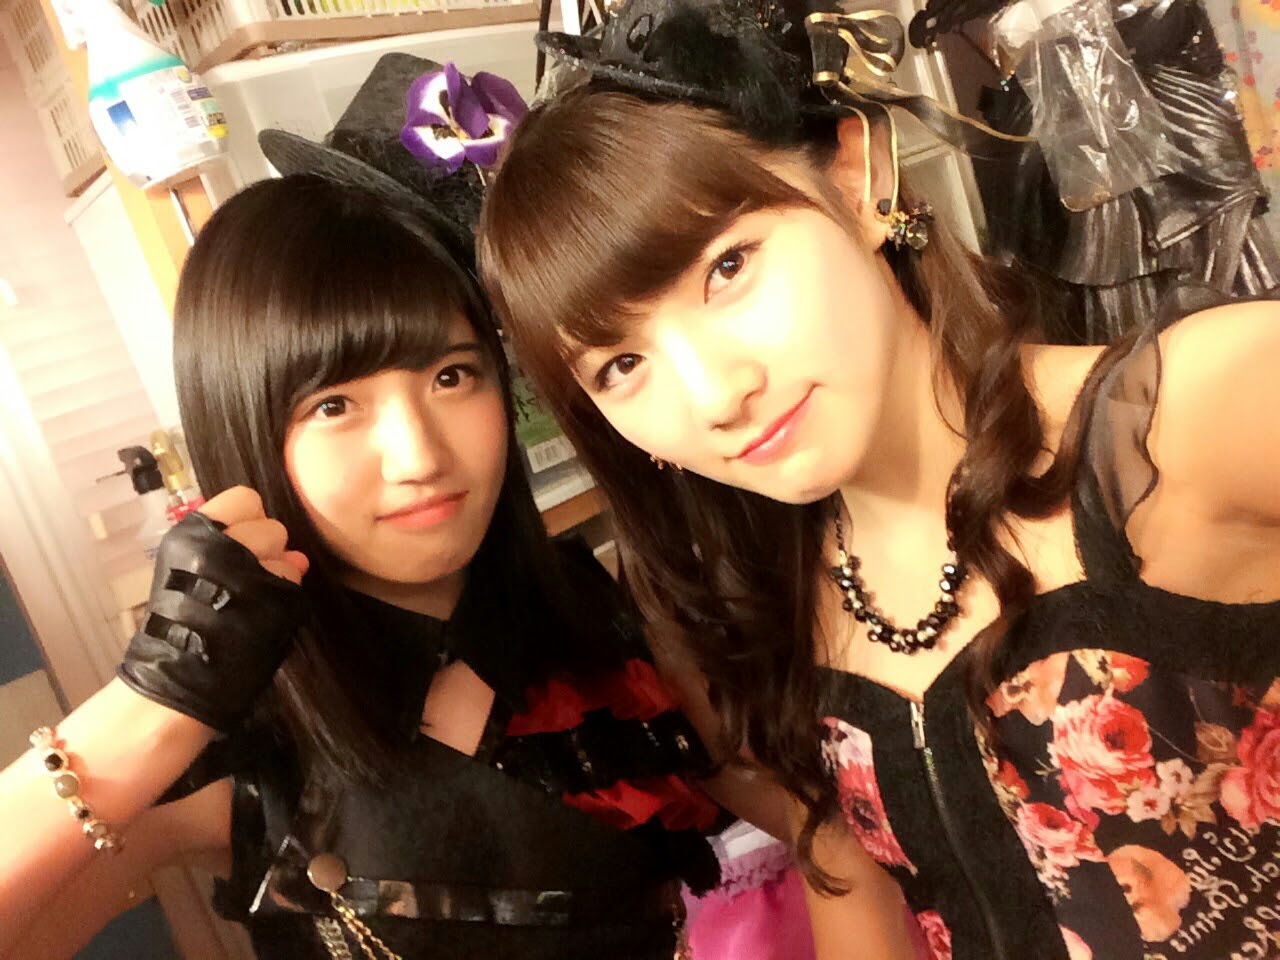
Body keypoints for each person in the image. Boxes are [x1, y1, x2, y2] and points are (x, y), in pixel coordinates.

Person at [476, 2, 1280, 958]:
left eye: (727, 267)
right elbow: (853, 901)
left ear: (856, 180)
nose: (715, 395)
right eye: (620, 366)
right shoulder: (776, 607)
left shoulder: (1191, 415)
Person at [0, 55, 727, 960]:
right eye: (335, 404)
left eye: (452, 377)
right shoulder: (243, 738)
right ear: (247, 429)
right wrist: (155, 701)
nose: (420, 457)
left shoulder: (588, 608)